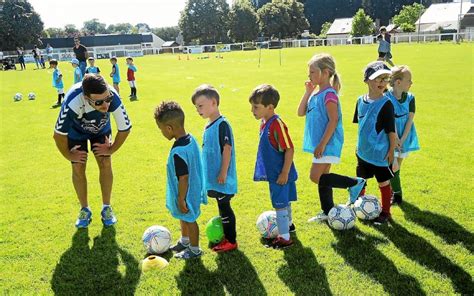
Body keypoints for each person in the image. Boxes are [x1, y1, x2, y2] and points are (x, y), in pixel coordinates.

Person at [53, 74, 132, 228]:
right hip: (76, 132)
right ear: (86, 97)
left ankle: (106, 208)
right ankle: (84, 209)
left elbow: (125, 129)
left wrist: (111, 149)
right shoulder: (73, 101)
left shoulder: (112, 97)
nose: (105, 105)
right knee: (77, 165)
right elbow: (58, 135)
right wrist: (69, 155)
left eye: (107, 99)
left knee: (105, 161)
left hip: (101, 129)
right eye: (99, 102)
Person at [297, 53, 365, 223]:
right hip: (322, 144)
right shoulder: (316, 94)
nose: (309, 75)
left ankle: (354, 183)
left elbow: (333, 120)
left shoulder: (329, 94)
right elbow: (300, 112)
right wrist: (307, 92)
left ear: (325, 73)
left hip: (327, 143)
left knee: (315, 176)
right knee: (324, 178)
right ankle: (328, 211)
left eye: (313, 72)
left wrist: (321, 144)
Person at [154, 101, 207, 259]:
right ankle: (184, 241)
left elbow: (183, 177)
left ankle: (195, 249)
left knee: (190, 218)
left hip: (186, 192)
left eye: (161, 129)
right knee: (183, 216)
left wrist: (181, 198)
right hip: (191, 189)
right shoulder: (190, 139)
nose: (162, 132)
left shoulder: (179, 151)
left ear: (169, 128)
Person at [249, 84, 297, 249]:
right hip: (276, 173)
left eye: (256, 107)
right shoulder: (264, 122)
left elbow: (289, 148)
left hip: (280, 174)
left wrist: (284, 172)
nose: (252, 110)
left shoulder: (276, 124)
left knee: (280, 204)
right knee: (284, 201)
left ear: (270, 107)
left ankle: (284, 238)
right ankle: (288, 225)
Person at [191, 84, 238, 252]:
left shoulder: (222, 124)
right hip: (214, 177)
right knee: (221, 205)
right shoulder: (208, 125)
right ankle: (226, 236)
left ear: (214, 103)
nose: (198, 110)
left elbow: (227, 149)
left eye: (200, 106)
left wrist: (223, 172)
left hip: (223, 177)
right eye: (196, 107)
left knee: (225, 206)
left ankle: (231, 240)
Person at [353, 61, 397, 224]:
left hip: (380, 154)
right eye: (378, 79)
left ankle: (386, 212)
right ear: (366, 81)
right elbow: (361, 127)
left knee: (383, 182)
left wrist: (392, 151)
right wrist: (358, 145)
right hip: (363, 152)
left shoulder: (386, 104)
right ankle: (358, 203)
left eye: (385, 79)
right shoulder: (360, 101)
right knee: (360, 180)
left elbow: (391, 131)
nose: (382, 82)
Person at [386, 66, 420, 205]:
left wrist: (402, 139)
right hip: (391, 134)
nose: (411, 83)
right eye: (409, 80)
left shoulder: (410, 98)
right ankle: (395, 194)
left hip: (405, 135)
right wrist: (395, 139)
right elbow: (390, 118)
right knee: (390, 164)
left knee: (396, 166)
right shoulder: (386, 96)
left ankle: (394, 193)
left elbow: (410, 120)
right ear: (398, 82)